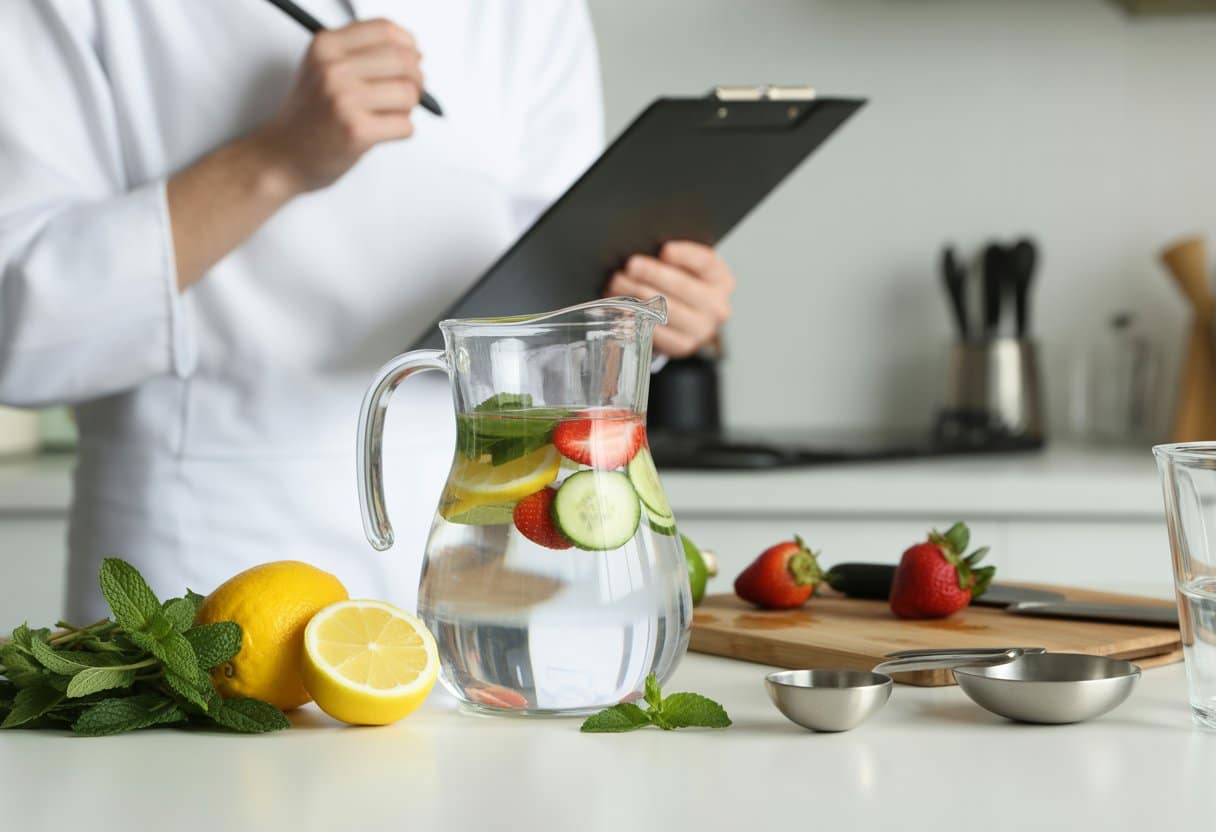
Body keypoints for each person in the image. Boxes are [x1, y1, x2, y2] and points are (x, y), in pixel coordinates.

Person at [0, 1, 735, 620]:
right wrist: (276, 160)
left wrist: (636, 317)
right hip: (206, 557)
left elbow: (551, 297)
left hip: (483, 558)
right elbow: (18, 334)